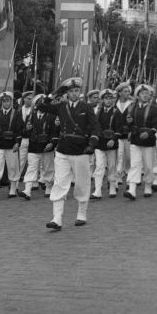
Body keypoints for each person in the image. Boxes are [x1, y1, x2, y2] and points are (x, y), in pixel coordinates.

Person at [39, 77, 101, 231]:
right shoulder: (61, 106)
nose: (74, 94)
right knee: (60, 183)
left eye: (77, 91)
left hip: (80, 150)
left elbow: (95, 128)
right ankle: (57, 218)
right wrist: (54, 93)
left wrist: (92, 144)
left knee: (81, 183)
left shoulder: (86, 107)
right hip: (63, 149)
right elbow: (41, 106)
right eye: (71, 91)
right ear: (66, 93)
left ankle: (81, 213)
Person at [19, 94, 58, 200]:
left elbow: (55, 132)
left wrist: (52, 143)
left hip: (46, 145)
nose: (40, 105)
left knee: (48, 168)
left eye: (42, 102)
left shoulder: (52, 116)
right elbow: (24, 132)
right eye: (38, 102)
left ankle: (49, 187)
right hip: (34, 145)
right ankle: (27, 190)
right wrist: (26, 129)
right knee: (31, 167)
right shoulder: (30, 116)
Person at [125, 84, 157, 200]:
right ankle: (132, 189)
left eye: (147, 93)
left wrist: (149, 133)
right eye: (142, 93)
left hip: (148, 140)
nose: (145, 95)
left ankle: (148, 186)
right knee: (135, 164)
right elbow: (129, 124)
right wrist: (130, 124)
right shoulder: (132, 107)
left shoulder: (154, 108)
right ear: (138, 95)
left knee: (148, 165)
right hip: (135, 139)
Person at [91, 89, 124, 199]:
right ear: (102, 100)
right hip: (100, 143)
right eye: (106, 98)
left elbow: (119, 128)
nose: (108, 101)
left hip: (111, 143)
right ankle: (97, 190)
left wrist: (114, 139)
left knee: (111, 166)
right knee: (99, 166)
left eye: (110, 98)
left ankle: (112, 187)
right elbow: (95, 126)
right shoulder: (98, 112)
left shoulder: (116, 112)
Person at [115, 82, 134, 186]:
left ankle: (128, 172)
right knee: (119, 155)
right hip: (118, 134)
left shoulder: (132, 104)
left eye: (128, 91)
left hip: (128, 134)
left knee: (129, 156)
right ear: (120, 93)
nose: (127, 93)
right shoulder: (115, 104)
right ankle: (119, 175)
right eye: (125, 91)